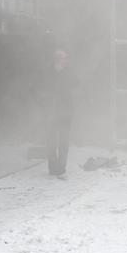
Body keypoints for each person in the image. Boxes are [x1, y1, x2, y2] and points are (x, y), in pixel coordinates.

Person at [44, 49, 76, 178]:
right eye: (64, 58)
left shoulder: (68, 73)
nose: (66, 60)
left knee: (63, 141)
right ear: (57, 59)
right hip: (51, 111)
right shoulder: (47, 73)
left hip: (65, 112)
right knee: (51, 141)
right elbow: (39, 89)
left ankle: (61, 169)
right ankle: (53, 168)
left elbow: (77, 83)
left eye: (66, 58)